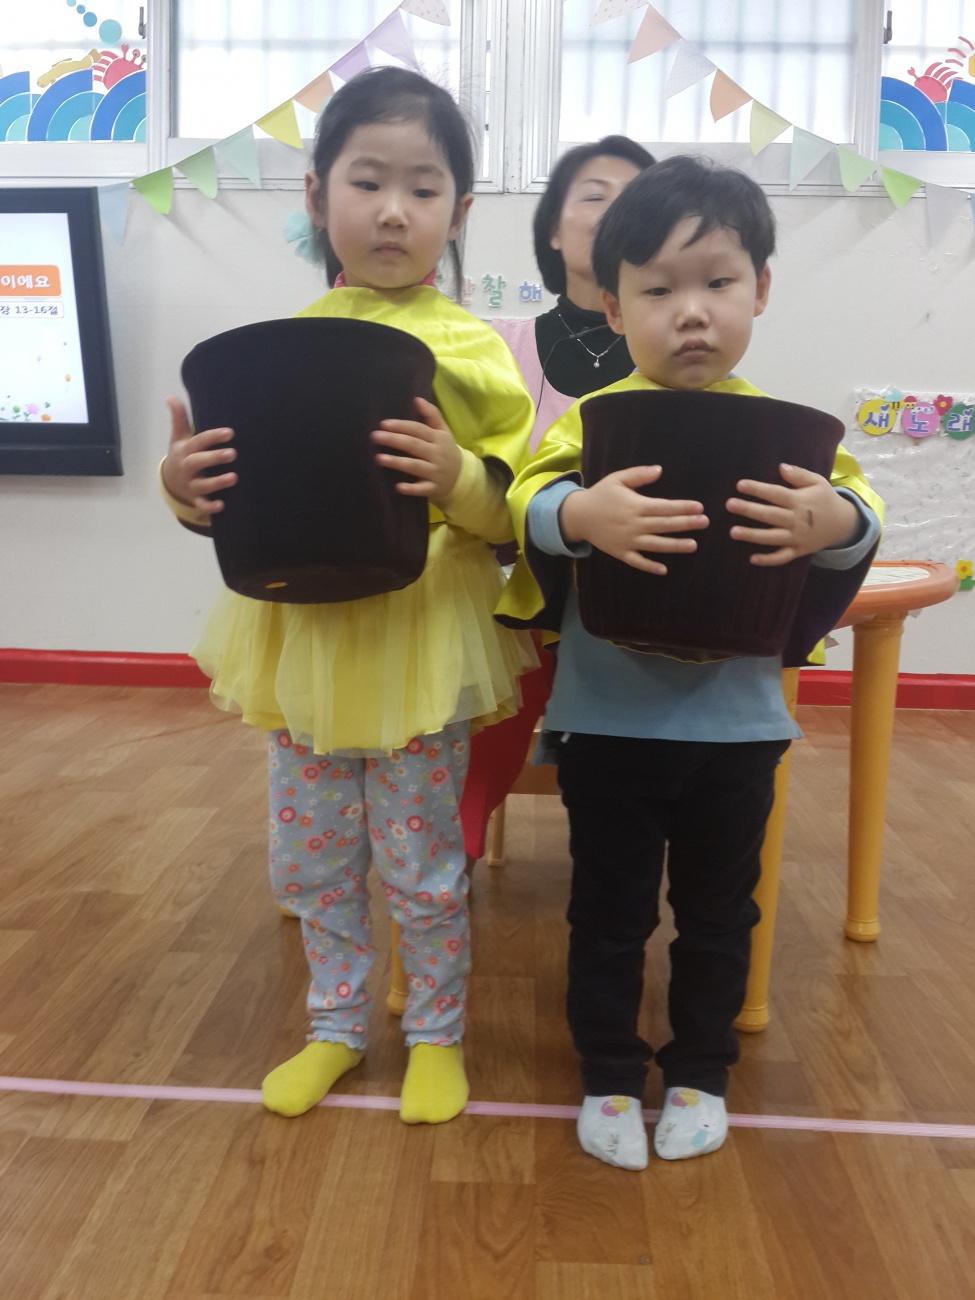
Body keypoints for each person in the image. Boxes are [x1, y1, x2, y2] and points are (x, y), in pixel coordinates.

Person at [161, 67, 536, 1125]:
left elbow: (512, 511)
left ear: (459, 211)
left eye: (423, 187)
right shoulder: (282, 346)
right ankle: (333, 1028)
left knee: (421, 864)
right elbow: (243, 501)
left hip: (420, 637)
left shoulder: (475, 351)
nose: (392, 210)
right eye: (367, 182)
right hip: (306, 642)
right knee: (313, 858)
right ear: (317, 194)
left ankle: (435, 1037)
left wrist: (460, 478)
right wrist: (183, 490)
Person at [497, 156, 884, 1169]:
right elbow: (527, 497)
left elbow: (859, 510)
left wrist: (835, 518)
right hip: (606, 722)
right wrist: (578, 512)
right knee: (608, 911)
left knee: (719, 914)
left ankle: (701, 1071)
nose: (691, 313)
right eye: (657, 290)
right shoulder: (591, 421)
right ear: (613, 307)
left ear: (760, 289)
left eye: (717, 282)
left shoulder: (786, 431)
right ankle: (609, 1073)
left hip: (738, 728)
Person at [460, 137, 654, 864]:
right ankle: (442, 858)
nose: (613, 214)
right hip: (510, 603)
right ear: (552, 228)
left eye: (634, 201)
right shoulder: (492, 346)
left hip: (638, 606)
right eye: (594, 196)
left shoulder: (683, 355)